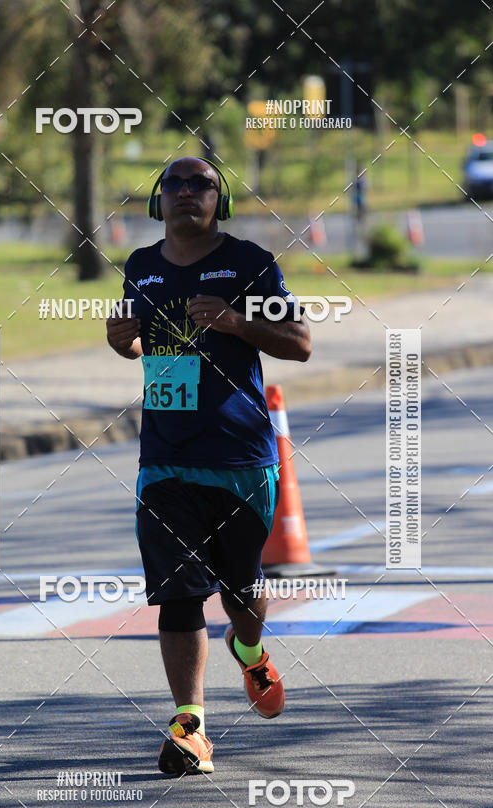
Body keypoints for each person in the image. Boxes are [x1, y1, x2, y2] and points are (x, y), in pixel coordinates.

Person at [106, 157, 311, 776]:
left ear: (219, 202)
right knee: (180, 594)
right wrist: (125, 344)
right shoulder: (141, 267)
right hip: (165, 458)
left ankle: (248, 649)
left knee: (242, 590)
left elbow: (300, 343)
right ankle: (190, 727)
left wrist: (235, 322)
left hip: (240, 456)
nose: (186, 193)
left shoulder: (250, 262)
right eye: (174, 184)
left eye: (202, 185)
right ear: (157, 201)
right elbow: (148, 347)